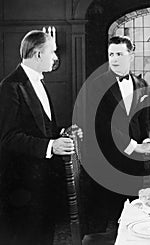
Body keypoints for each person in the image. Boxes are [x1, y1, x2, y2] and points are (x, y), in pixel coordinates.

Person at [0, 30, 79, 245]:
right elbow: (7, 138)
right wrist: (51, 146)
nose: (55, 58)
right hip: (22, 186)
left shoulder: (40, 82)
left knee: (45, 236)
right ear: (37, 54)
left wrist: (63, 132)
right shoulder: (10, 87)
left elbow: (42, 128)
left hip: (43, 181)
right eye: (52, 52)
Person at [87, 36, 150, 233]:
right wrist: (134, 146)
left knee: (140, 214)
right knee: (109, 219)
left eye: (120, 54)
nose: (114, 59)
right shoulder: (96, 84)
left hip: (136, 158)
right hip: (108, 157)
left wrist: (146, 142)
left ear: (131, 55)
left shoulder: (141, 82)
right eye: (111, 54)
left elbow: (143, 119)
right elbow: (101, 125)